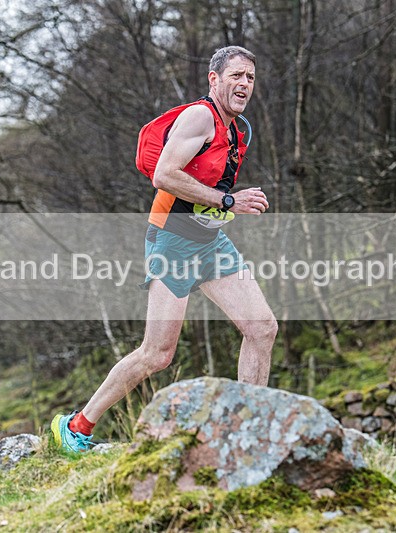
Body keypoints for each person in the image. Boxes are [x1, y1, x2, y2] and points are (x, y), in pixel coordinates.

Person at [51, 46, 278, 452]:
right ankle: (77, 425)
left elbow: (207, 185)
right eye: (236, 76)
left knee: (262, 328)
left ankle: (246, 429)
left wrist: (223, 208)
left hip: (210, 241)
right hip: (171, 240)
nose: (244, 84)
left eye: (250, 78)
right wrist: (229, 202)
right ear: (214, 79)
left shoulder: (240, 128)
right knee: (157, 353)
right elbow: (164, 175)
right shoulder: (198, 117)